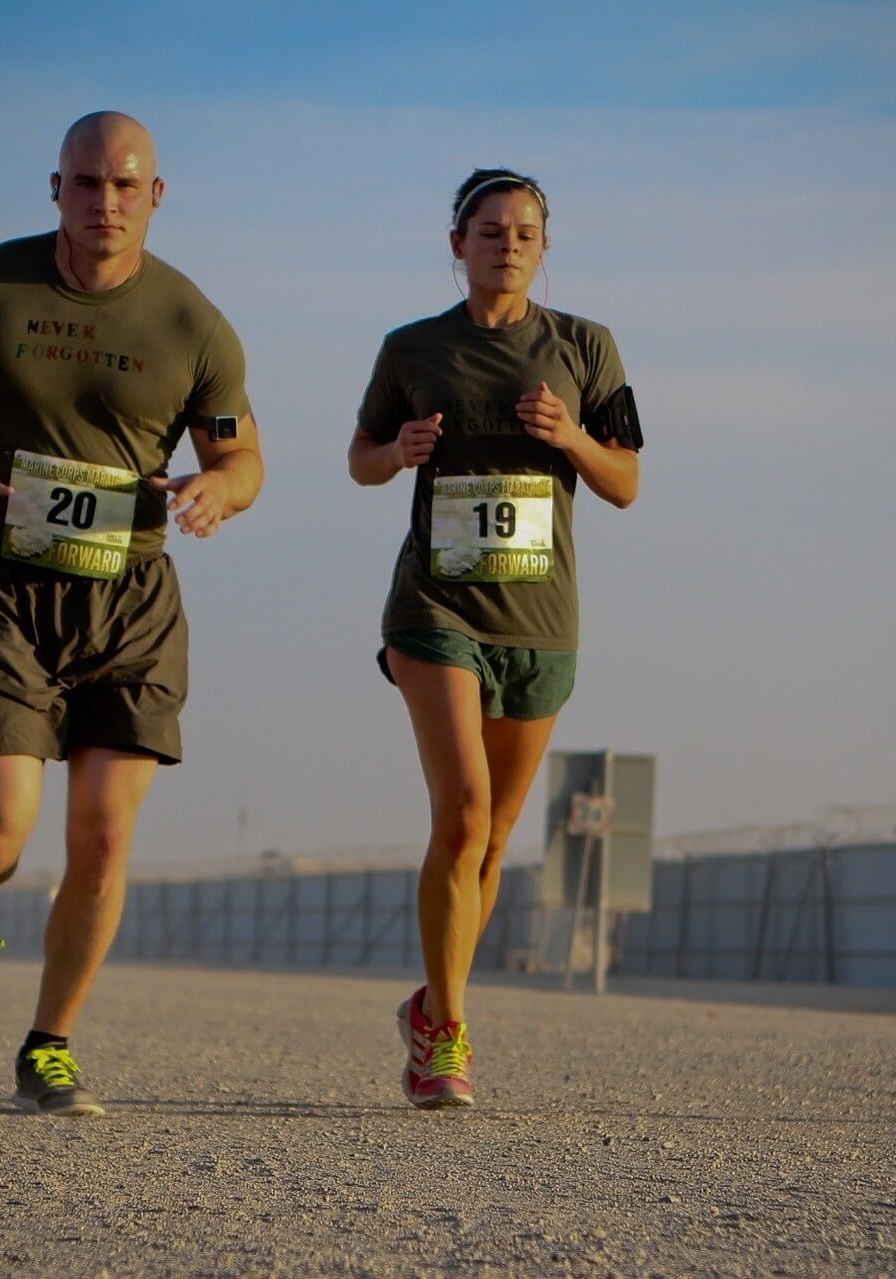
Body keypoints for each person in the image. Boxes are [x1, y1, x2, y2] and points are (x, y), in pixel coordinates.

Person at [0, 111, 263, 1117]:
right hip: (9, 588)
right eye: (86, 183)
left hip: (133, 602)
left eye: (125, 185)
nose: (105, 203)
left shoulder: (194, 324)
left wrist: (223, 490)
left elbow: (242, 456)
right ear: (56, 187)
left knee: (100, 839)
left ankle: (50, 1043)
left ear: (155, 195)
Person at [349, 168, 643, 1108]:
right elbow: (360, 458)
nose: (506, 244)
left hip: (540, 619)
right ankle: (451, 1039)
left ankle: (433, 1006)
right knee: (464, 812)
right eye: (487, 229)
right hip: (435, 607)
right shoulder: (411, 348)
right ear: (457, 243)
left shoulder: (587, 348)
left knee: (495, 840)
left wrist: (572, 441)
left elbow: (627, 481)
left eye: (523, 232)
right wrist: (396, 454)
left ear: (544, 248)